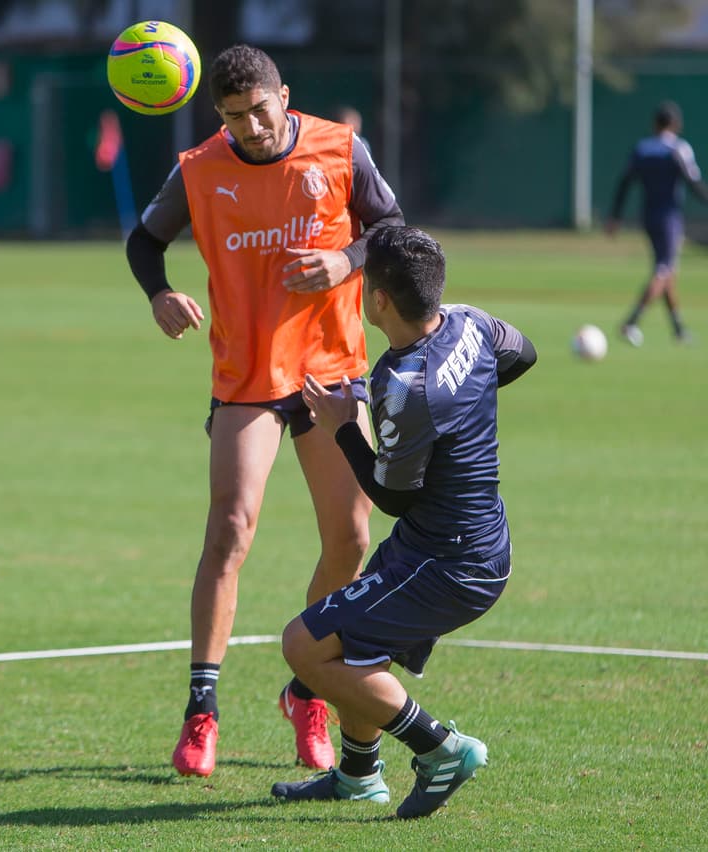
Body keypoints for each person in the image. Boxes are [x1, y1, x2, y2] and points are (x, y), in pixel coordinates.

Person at [124, 44, 404, 777]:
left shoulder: (340, 148)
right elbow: (144, 240)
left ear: (285, 94)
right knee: (230, 528)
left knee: (350, 536)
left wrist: (346, 262)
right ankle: (201, 710)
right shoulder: (198, 169)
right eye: (231, 117)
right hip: (247, 375)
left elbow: (393, 230)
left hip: (333, 374)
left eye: (258, 109)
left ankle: (308, 686)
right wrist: (158, 293)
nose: (248, 127)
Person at [270, 225, 537, 818]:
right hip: (458, 541)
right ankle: (359, 774)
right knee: (360, 646)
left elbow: (391, 497)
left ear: (379, 300)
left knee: (305, 646)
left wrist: (343, 424)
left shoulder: (403, 385)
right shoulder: (467, 322)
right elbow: (522, 352)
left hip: (448, 561)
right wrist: (466, 402)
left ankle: (441, 749)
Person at [606, 100, 708, 346]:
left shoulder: (642, 148)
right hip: (669, 217)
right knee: (664, 270)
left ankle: (678, 329)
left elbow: (625, 182)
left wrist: (615, 216)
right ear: (676, 124)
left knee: (666, 270)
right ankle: (631, 322)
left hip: (648, 216)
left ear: (655, 123)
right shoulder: (678, 149)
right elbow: (692, 182)